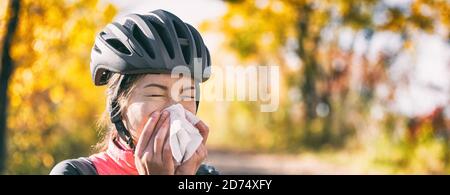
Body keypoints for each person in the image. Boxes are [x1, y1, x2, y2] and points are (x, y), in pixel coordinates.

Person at [50, 9, 218, 175]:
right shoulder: (75, 172)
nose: (176, 109)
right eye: (156, 94)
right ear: (117, 106)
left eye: (186, 94)